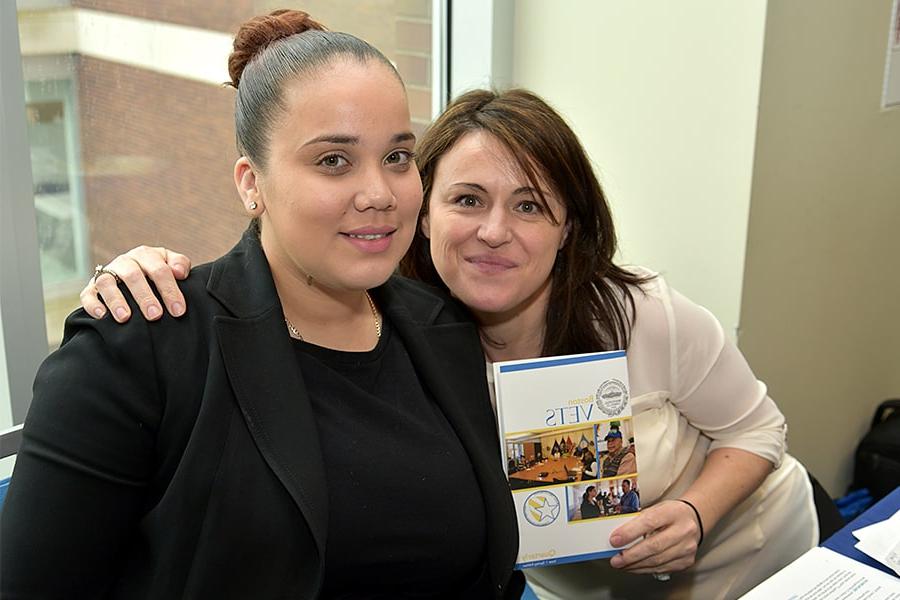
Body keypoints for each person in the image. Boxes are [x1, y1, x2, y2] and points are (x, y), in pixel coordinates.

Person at [79, 88, 820, 599]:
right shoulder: (396, 334)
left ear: (568, 228)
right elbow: (279, 280)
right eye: (467, 200)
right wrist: (146, 272)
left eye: (530, 206)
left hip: (748, 562)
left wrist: (694, 515)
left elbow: (760, 430)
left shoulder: (642, 313)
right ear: (421, 212)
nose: (494, 232)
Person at [0, 11, 525, 599]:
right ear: (251, 183)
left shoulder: (442, 328)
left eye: (398, 157)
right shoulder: (138, 346)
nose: (379, 193)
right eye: (334, 160)